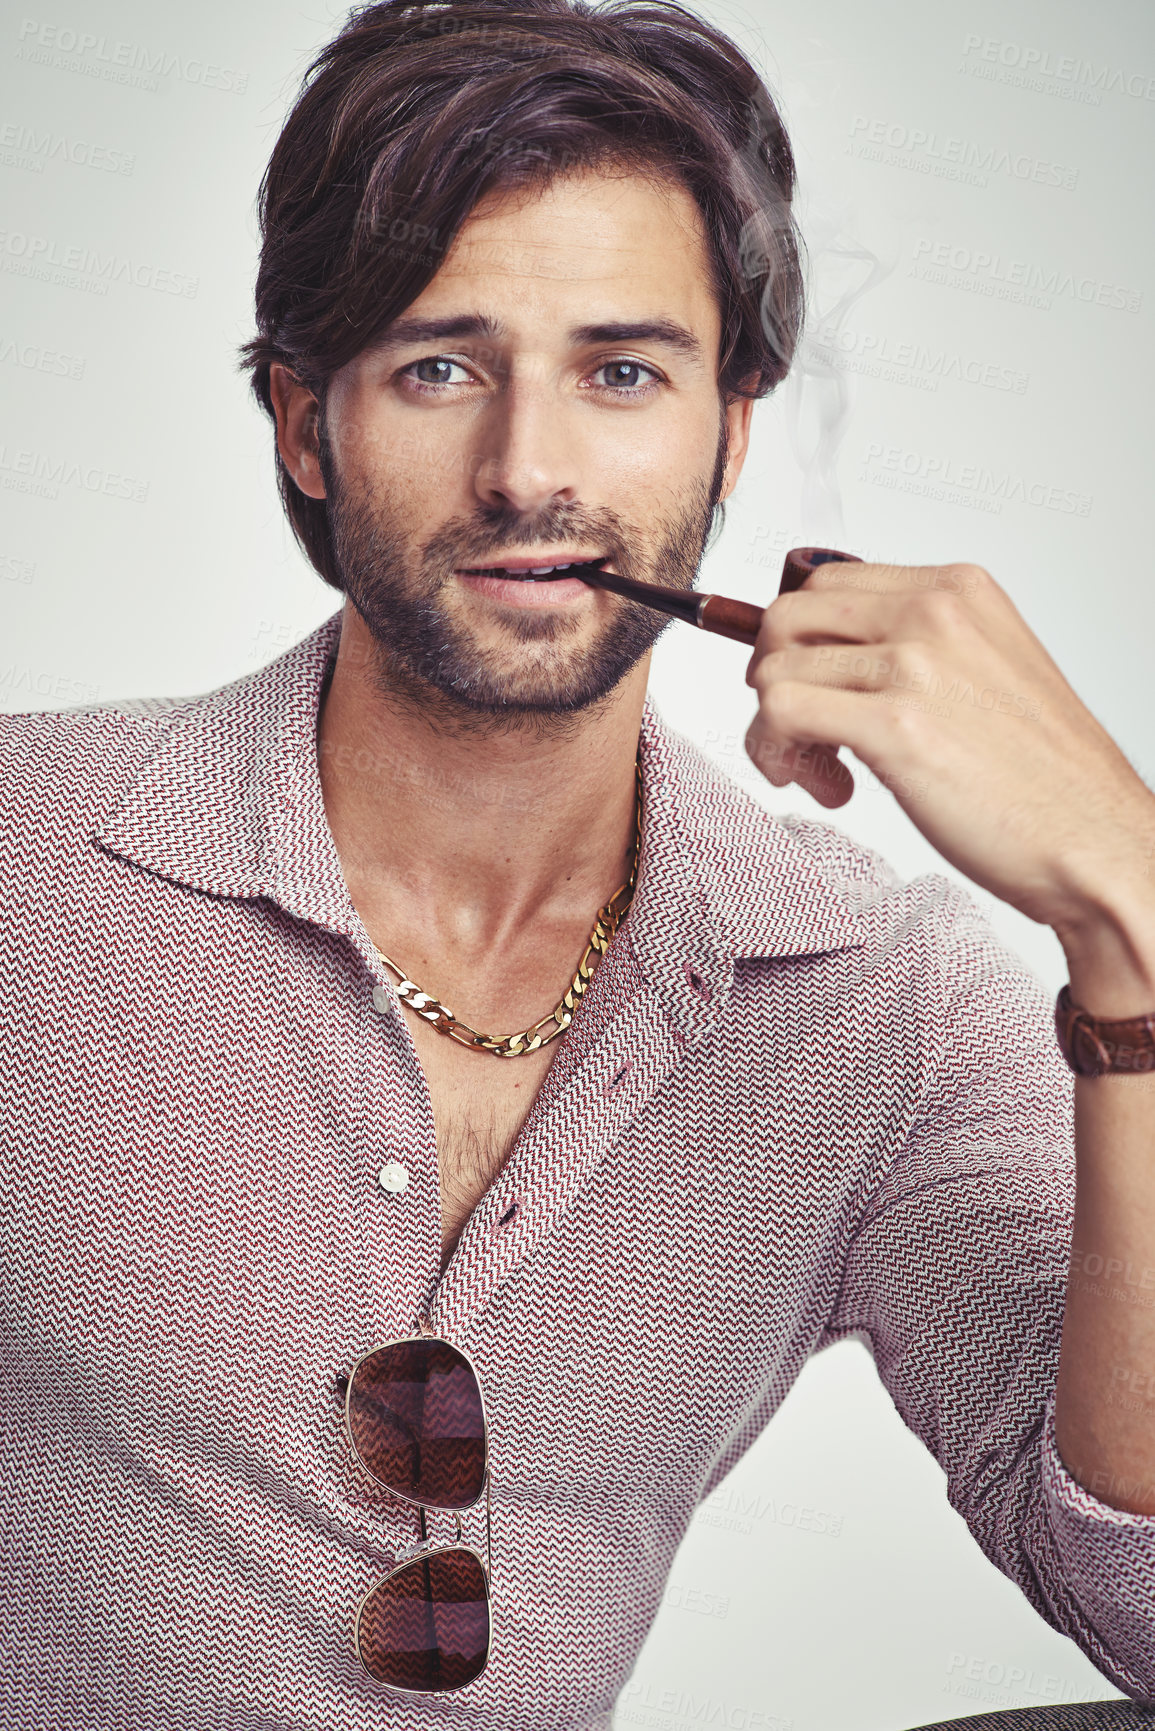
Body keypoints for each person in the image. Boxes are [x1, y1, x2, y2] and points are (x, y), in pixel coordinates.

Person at [3, 1, 1155, 1726]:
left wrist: (1132, 912)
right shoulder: (31, 854)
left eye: (623, 372)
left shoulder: (878, 997)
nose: (530, 469)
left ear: (729, 432)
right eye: (441, 366)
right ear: (306, 427)